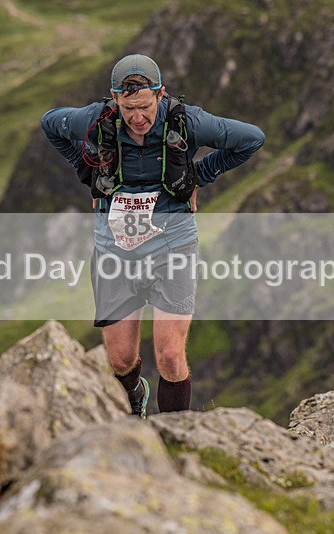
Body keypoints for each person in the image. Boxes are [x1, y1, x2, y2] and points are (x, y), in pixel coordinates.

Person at [41, 54, 264, 418]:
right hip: (115, 250)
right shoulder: (95, 120)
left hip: (172, 246)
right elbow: (50, 124)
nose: (138, 117)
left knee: (171, 357)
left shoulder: (187, 121)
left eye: (145, 106)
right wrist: (87, 172)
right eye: (128, 108)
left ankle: (177, 435)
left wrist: (198, 176)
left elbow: (251, 139)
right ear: (115, 99)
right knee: (120, 359)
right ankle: (133, 400)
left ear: (160, 94)